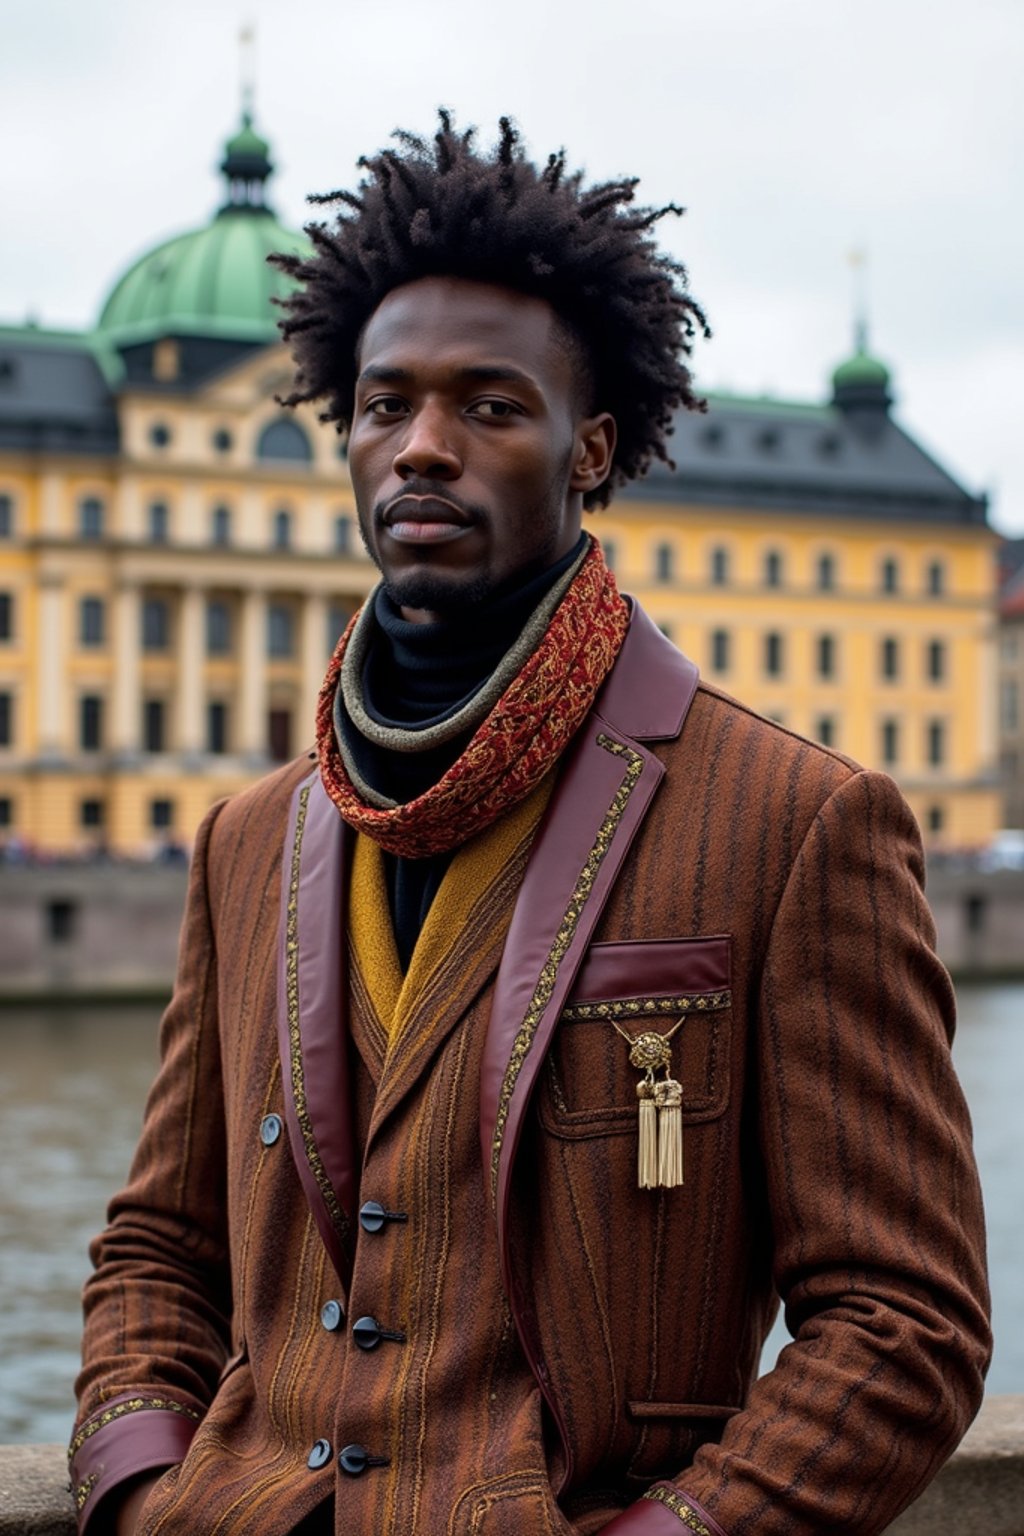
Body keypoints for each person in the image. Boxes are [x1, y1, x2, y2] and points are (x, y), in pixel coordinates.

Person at [71, 114, 990, 1536]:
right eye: (385, 406)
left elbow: (904, 1325)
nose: (420, 448)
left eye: (489, 406)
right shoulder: (247, 839)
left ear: (591, 448)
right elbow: (155, 1247)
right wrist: (137, 1485)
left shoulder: (798, 822)